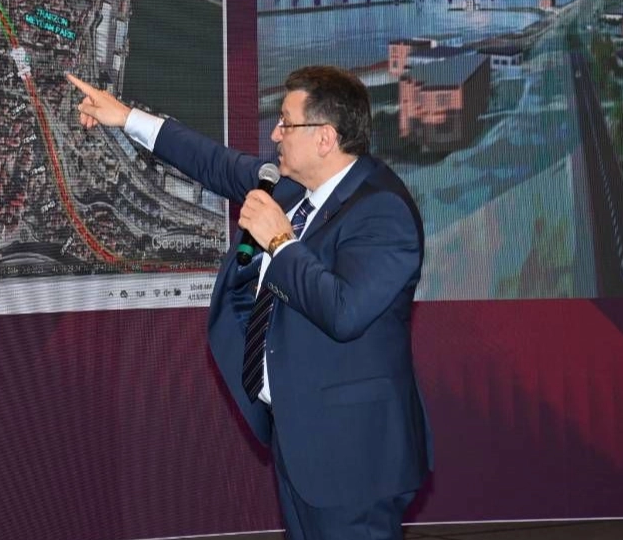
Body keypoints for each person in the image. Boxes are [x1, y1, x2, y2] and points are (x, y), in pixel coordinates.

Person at [66, 67, 431, 540]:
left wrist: (280, 241)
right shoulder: (295, 188)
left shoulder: (382, 211)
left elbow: (344, 312)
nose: (275, 134)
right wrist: (126, 117)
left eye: (286, 123)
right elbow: (214, 163)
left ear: (324, 138)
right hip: (300, 437)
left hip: (350, 456)